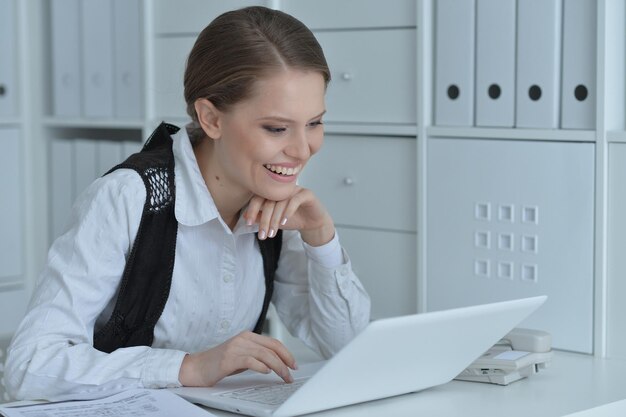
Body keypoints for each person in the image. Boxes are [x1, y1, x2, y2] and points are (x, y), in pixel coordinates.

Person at [4, 6, 370, 401]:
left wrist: (321, 237)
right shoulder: (127, 198)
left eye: (314, 123)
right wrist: (189, 367)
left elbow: (349, 347)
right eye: (277, 128)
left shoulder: (280, 208)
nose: (302, 150)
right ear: (211, 119)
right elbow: (28, 366)